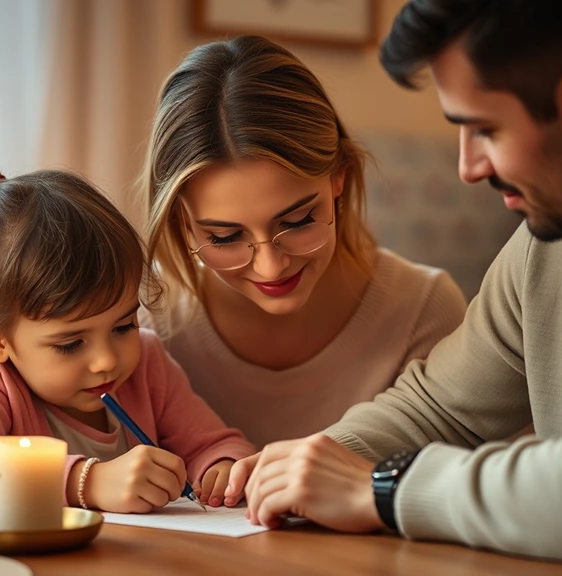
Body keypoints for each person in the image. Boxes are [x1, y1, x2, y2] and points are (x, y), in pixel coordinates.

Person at [232, 1, 562, 573]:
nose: (469, 167)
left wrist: (382, 489)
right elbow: (441, 407)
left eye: (484, 129)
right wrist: (305, 468)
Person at [141, 35, 468, 450]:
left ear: (340, 178)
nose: (270, 267)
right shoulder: (141, 320)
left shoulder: (423, 311)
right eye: (224, 236)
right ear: (182, 222)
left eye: (297, 221)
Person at [0, 156, 256, 512]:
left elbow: (211, 443)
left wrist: (221, 468)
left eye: (123, 326)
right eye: (70, 344)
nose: (106, 361)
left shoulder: (146, 362)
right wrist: (88, 482)